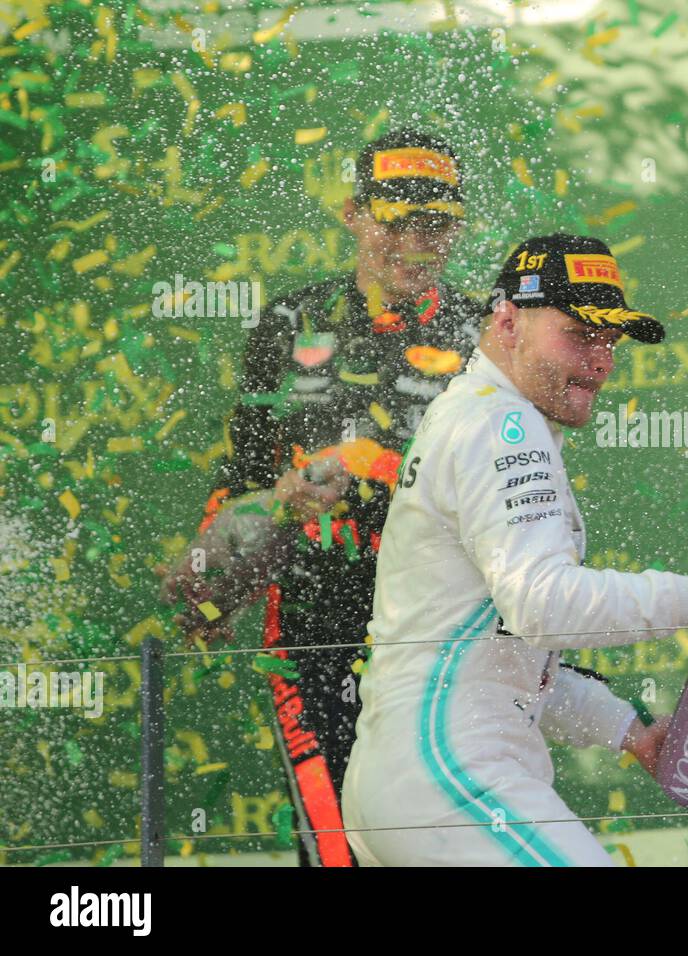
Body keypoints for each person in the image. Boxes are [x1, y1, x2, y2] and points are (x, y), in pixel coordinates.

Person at [342, 233, 688, 866]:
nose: (600, 359)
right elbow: (543, 606)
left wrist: (629, 730)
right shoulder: (503, 427)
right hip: (449, 780)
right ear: (507, 321)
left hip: (416, 782)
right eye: (580, 334)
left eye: (609, 340)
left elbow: (496, 664)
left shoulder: (477, 413)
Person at [164, 128, 482, 867]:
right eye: (395, 219)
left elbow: (504, 486)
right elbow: (244, 477)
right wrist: (218, 572)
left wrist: (370, 464)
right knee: (336, 847)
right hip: (312, 622)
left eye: (436, 222)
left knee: (444, 842)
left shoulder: (485, 333)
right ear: (353, 214)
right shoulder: (288, 321)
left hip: (443, 627)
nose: (416, 240)